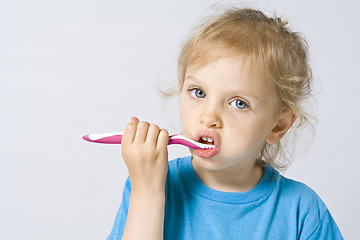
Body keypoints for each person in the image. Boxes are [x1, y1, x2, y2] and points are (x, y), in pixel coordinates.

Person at [107, 7, 343, 240]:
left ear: (278, 126)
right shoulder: (150, 183)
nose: (209, 117)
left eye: (238, 103)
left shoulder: (302, 212)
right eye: (198, 92)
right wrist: (147, 191)